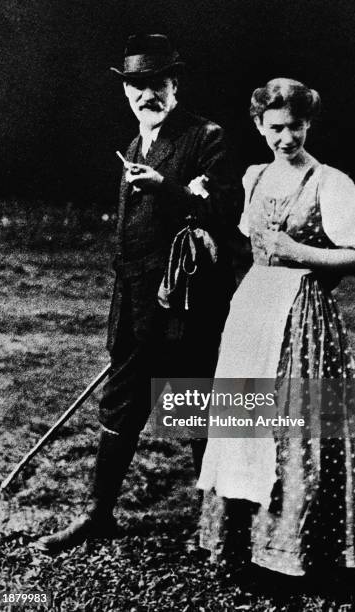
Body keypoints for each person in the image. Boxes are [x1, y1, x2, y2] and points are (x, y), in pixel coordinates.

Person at [34, 34, 241, 553]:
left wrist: (168, 188)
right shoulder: (133, 145)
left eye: (157, 84)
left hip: (187, 306)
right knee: (121, 405)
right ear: (126, 92)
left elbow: (223, 214)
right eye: (136, 86)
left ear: (175, 85)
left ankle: (214, 528)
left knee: (195, 406)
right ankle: (99, 515)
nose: (147, 95)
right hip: (133, 305)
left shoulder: (205, 137)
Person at [197, 78, 355, 578]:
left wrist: (300, 254)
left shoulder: (330, 182)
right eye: (275, 128)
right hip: (252, 308)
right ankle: (239, 546)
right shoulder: (253, 178)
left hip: (303, 317)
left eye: (295, 126)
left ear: (307, 124)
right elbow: (244, 244)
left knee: (294, 425)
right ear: (259, 126)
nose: (286, 138)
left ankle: (296, 551)